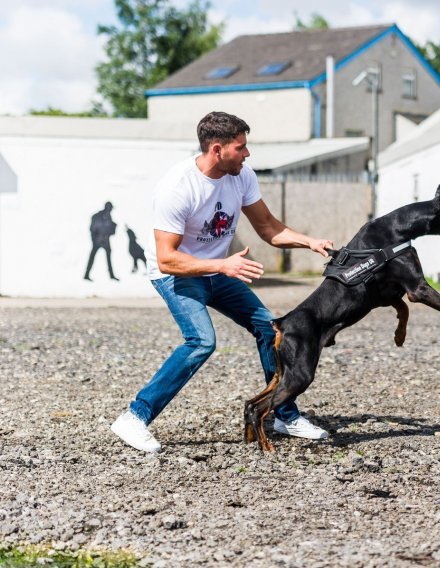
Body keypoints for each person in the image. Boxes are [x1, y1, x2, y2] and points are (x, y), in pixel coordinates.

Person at [111, 111, 333, 453]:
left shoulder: (241, 176)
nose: (247, 154)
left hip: (220, 269)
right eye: (241, 147)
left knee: (271, 330)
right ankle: (134, 417)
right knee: (201, 341)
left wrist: (310, 241)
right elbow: (167, 258)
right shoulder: (177, 187)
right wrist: (222, 265)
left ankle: (282, 414)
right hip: (176, 273)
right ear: (217, 149)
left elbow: (269, 228)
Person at [84, 201, 119, 281]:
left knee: (108, 259)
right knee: (92, 257)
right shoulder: (97, 216)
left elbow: (110, 231)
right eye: (110, 208)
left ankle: (111, 275)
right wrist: (94, 239)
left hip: (105, 241)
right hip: (98, 241)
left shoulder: (108, 217)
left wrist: (113, 227)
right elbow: (93, 228)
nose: (111, 210)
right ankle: (86, 274)